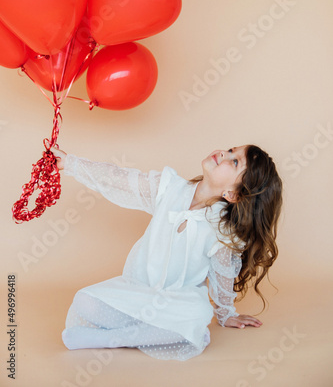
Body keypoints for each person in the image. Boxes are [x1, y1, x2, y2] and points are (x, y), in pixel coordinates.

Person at [52, 144, 283, 361]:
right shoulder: (168, 187)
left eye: (234, 162)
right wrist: (70, 164)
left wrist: (226, 313)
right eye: (231, 150)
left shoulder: (223, 230)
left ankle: (116, 338)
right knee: (84, 301)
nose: (224, 154)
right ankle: (149, 330)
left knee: (198, 314)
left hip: (177, 301)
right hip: (136, 292)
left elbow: (222, 275)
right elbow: (117, 179)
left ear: (232, 195)